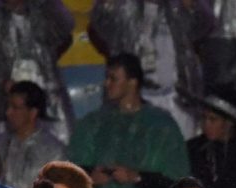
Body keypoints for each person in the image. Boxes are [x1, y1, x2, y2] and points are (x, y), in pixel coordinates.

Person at [67, 53, 190, 188]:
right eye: (107, 78)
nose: (106, 84)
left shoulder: (160, 125)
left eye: (113, 78)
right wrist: (90, 178)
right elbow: (72, 169)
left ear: (132, 82)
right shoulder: (94, 124)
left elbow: (177, 179)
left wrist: (137, 177)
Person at [88, 0, 214, 139]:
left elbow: (203, 25)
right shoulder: (123, 8)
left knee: (180, 153)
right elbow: (99, 20)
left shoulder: (177, 8)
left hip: (177, 100)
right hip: (134, 100)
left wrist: (191, 5)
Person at [0, 0, 75, 143]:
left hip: (50, 101)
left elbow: (65, 27)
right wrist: (2, 84)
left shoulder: (44, 10)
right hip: (9, 105)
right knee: (11, 155)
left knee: (61, 152)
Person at [0, 81, 66, 188]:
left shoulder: (53, 150)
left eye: (15, 108)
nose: (8, 113)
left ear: (33, 113)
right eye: (8, 107)